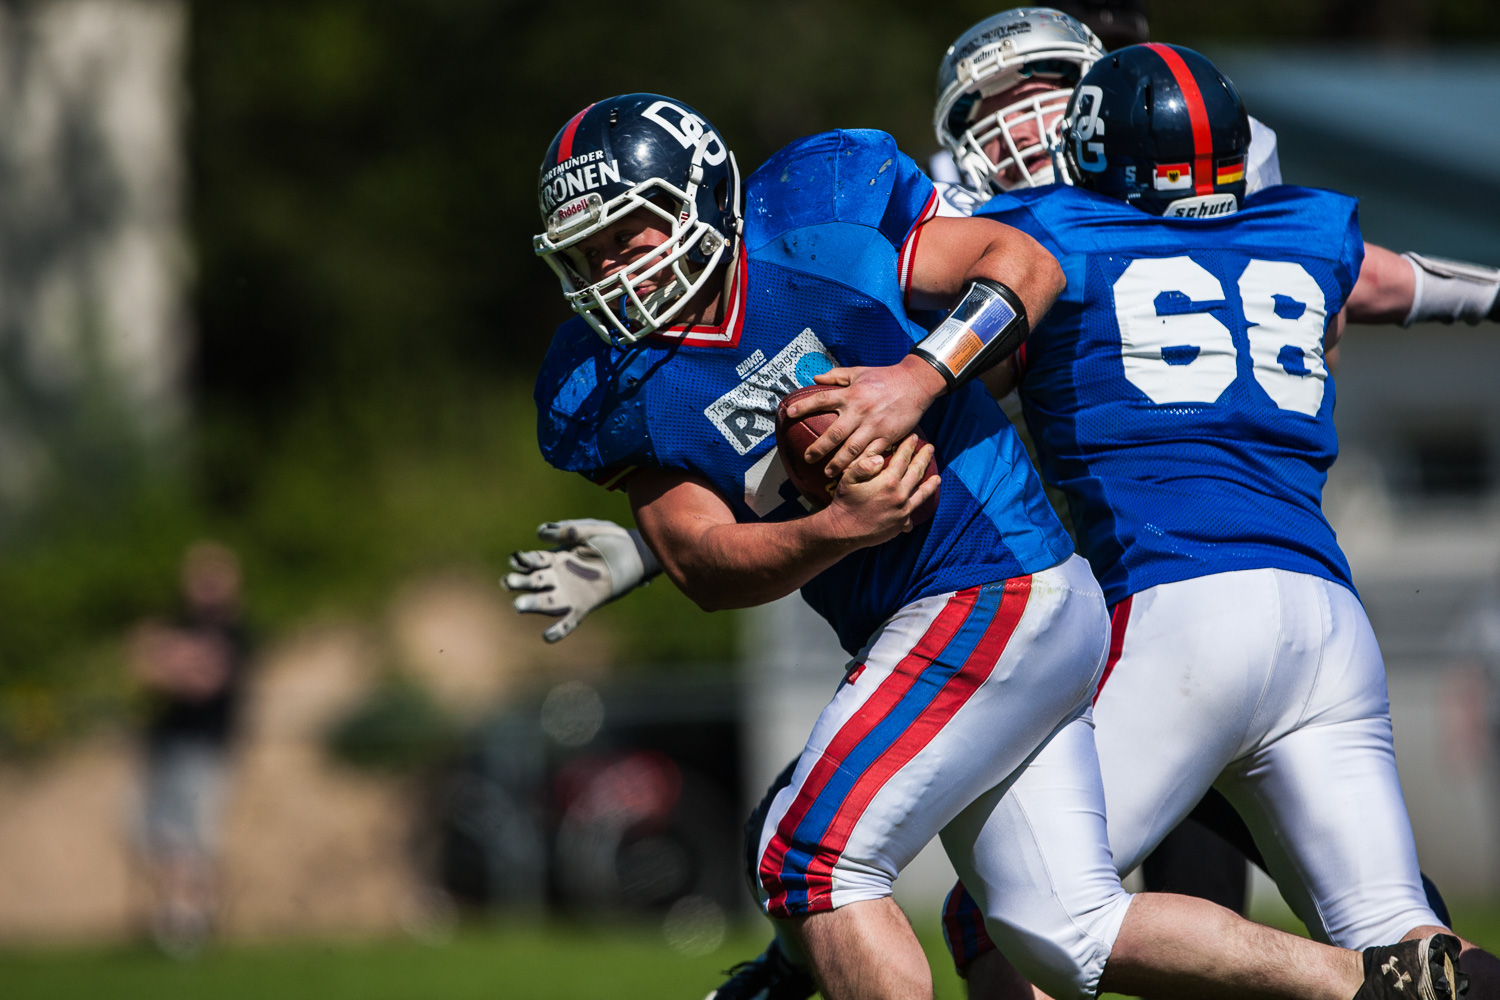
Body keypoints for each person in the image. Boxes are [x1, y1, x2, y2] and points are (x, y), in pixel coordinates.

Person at [527, 92, 1462, 1000]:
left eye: (629, 233)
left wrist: (914, 379)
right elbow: (704, 565)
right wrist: (831, 531)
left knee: (808, 855)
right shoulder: (602, 381)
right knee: (1066, 934)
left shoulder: (817, 214)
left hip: (991, 580)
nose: (613, 271)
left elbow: (1024, 264)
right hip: (964, 619)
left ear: (701, 200)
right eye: (586, 254)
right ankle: (1367, 982)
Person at [128, 541, 251, 956]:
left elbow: (203, 680)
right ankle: (174, 917)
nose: (206, 589)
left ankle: (199, 919)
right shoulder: (178, 623)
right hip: (167, 748)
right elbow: (144, 667)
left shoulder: (237, 633)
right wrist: (176, 661)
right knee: (162, 837)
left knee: (199, 838)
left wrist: (174, 660)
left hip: (207, 750)